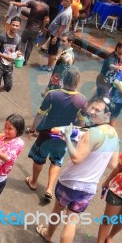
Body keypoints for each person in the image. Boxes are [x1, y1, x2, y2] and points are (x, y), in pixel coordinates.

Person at [35, 98, 119, 243]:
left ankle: (48, 234)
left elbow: (76, 158)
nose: (91, 112)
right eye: (92, 108)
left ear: (107, 114)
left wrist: (68, 138)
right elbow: (113, 163)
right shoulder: (114, 134)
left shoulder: (92, 133)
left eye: (97, 110)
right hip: (88, 187)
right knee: (72, 221)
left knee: (58, 209)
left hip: (69, 182)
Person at [25, 66, 88, 201]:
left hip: (47, 133)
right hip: (64, 136)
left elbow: (40, 115)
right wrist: (76, 138)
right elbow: (81, 123)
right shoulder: (82, 100)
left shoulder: (53, 94)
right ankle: (49, 188)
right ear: (77, 82)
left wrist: (32, 129)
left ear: (63, 79)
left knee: (39, 158)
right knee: (56, 160)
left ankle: (33, 182)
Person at [0, 17, 22, 115]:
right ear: (10, 25)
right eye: (13, 25)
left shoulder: (18, 38)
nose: (14, 27)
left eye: (17, 25)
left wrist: (18, 54)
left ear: (19, 27)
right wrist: (4, 56)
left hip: (9, 65)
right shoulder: (2, 36)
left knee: (8, 86)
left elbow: (17, 50)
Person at [39, 0, 73, 72]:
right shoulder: (65, 9)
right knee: (52, 50)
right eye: (64, 0)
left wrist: (55, 37)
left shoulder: (66, 13)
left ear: (71, 2)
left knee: (53, 51)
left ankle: (49, 67)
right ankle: (49, 65)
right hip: (54, 33)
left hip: (57, 35)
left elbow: (62, 26)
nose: (64, 2)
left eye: (67, 1)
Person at [10, 0, 49, 65]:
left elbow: (21, 4)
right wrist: (42, 28)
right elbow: (46, 19)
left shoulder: (33, 2)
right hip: (36, 30)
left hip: (28, 28)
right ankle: (25, 61)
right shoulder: (46, 7)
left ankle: (20, 58)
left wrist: (13, 2)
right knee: (30, 46)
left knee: (22, 42)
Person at [41, 33, 75, 97]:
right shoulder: (65, 52)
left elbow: (64, 72)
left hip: (58, 83)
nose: (61, 42)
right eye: (61, 40)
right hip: (55, 80)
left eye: (64, 41)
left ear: (70, 42)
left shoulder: (68, 56)